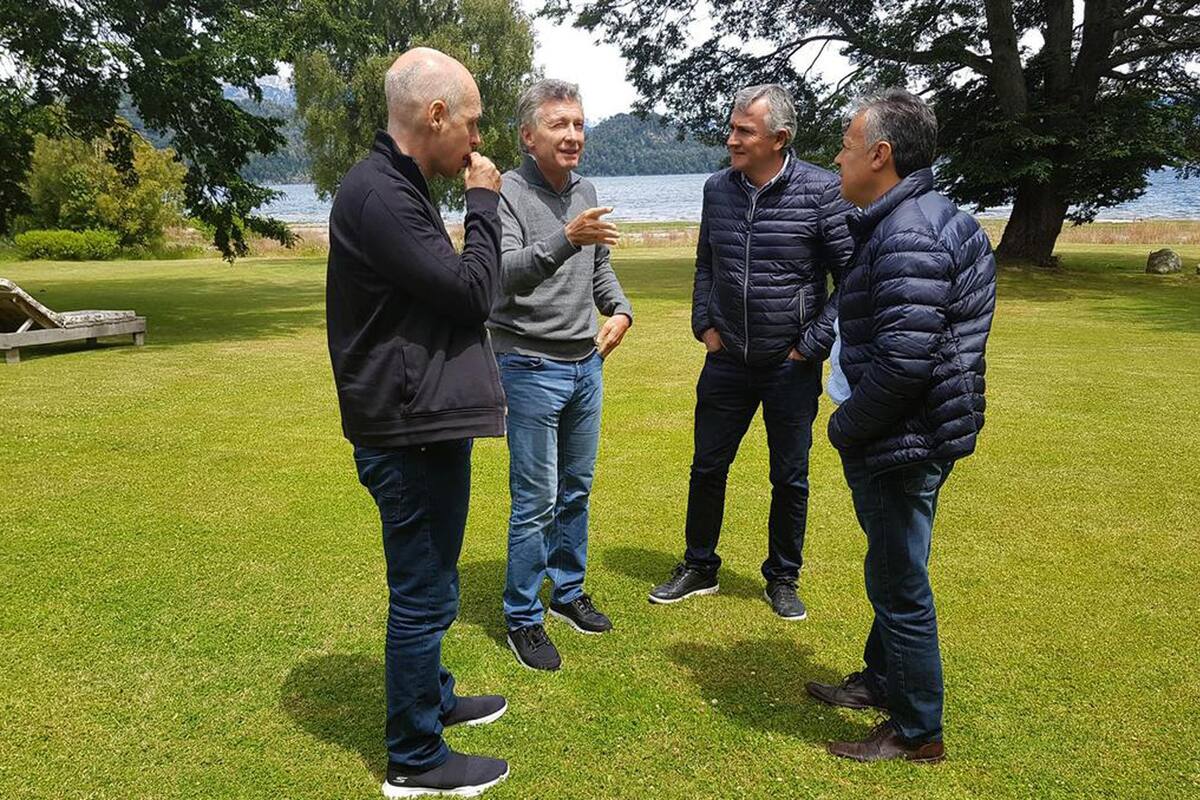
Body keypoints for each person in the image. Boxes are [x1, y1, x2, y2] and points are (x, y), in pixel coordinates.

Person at [325, 47, 511, 797]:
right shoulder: (383, 196)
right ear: (434, 115)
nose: (475, 140)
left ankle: (432, 699)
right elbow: (473, 294)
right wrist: (485, 202)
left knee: (431, 583)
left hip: (422, 420)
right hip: (406, 430)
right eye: (469, 122)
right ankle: (414, 757)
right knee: (426, 594)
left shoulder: (395, 187)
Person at [805, 88, 996, 763]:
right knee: (895, 564)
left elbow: (906, 362)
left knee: (899, 584)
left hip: (899, 440)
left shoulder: (908, 232)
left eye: (848, 147)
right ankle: (882, 681)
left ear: (881, 155)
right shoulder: (924, 219)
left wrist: (845, 425)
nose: (837, 158)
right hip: (920, 434)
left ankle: (917, 732)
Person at [649, 84, 855, 619]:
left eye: (744, 131)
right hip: (726, 360)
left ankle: (783, 577)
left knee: (789, 475)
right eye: (733, 127)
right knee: (707, 465)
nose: (731, 138)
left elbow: (853, 277)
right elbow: (706, 264)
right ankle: (699, 566)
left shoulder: (822, 191)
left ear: (779, 139)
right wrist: (704, 326)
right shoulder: (718, 188)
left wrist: (811, 344)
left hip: (789, 366)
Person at [490, 79, 633, 671]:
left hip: (585, 367)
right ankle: (523, 616)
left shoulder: (587, 191)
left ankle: (567, 593)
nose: (573, 135)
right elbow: (503, 274)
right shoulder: (506, 193)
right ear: (528, 136)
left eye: (578, 124)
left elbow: (600, 275)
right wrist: (565, 237)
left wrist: (621, 310)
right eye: (559, 125)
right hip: (527, 366)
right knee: (535, 502)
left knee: (577, 489)